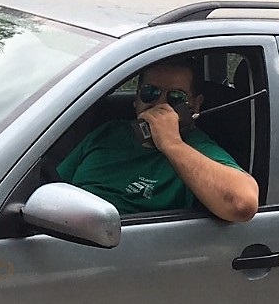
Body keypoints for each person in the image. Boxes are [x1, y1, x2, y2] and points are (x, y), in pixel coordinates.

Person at [57, 58, 259, 222]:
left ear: (195, 106)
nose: (160, 104)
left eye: (176, 98)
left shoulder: (198, 150)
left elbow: (242, 204)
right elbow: (52, 184)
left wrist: (171, 143)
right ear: (136, 99)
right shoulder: (109, 133)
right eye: (150, 93)